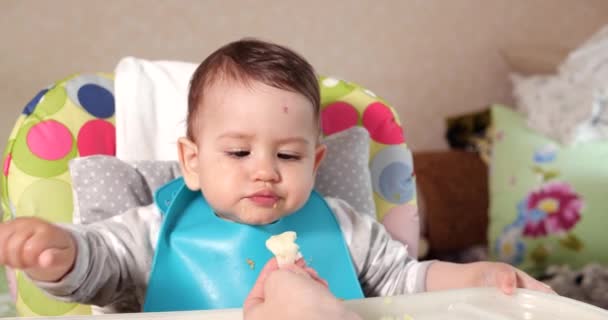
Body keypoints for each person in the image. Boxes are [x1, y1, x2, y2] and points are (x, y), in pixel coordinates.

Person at [0, 38, 553, 313]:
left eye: (288, 156)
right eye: (238, 152)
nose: (264, 170)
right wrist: (62, 254)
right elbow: (101, 264)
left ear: (316, 163)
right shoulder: (155, 228)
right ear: (191, 162)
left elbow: (406, 283)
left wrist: (478, 279)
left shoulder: (344, 226)